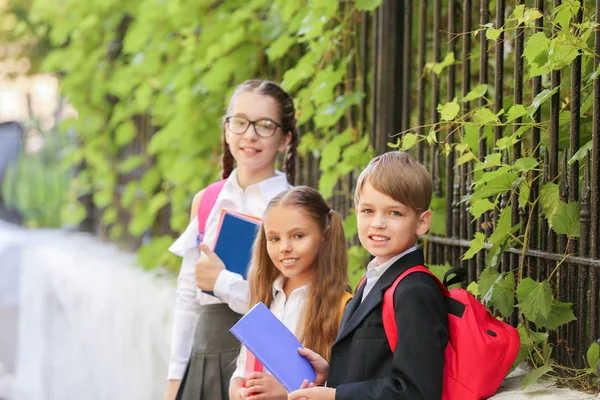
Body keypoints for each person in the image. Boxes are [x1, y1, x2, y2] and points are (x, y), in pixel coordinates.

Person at [163, 79, 299, 400]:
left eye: (264, 125)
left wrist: (221, 281)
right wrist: (174, 383)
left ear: (284, 139)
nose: (249, 134)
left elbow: (291, 303)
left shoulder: (295, 208)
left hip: (266, 372)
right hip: (205, 359)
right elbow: (187, 300)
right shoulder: (208, 200)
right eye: (239, 122)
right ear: (226, 130)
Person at [288, 152, 449, 400]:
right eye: (368, 211)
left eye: (394, 213)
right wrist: (329, 375)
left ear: (422, 222)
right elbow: (377, 367)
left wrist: (334, 397)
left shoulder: (414, 290)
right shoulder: (372, 280)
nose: (378, 223)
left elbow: (417, 392)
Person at [229, 186, 351, 400]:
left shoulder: (343, 307)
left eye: (298, 236)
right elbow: (242, 368)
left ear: (325, 235)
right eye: (274, 239)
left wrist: (285, 392)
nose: (284, 247)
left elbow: (347, 387)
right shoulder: (266, 297)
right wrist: (238, 389)